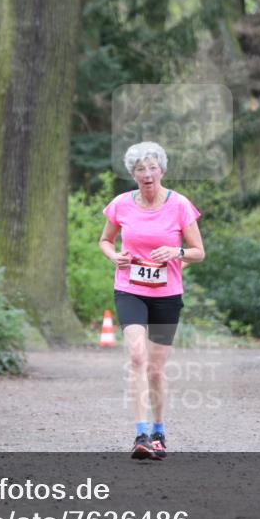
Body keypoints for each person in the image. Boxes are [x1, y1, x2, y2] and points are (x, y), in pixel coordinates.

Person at [99, 142, 204, 460]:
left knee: (156, 370)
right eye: (140, 169)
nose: (147, 174)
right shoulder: (120, 204)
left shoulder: (179, 205)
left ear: (162, 170)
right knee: (136, 357)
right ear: (132, 174)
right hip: (130, 289)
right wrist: (115, 256)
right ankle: (140, 434)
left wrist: (177, 252)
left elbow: (199, 252)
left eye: (152, 168)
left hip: (167, 294)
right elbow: (105, 240)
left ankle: (158, 431)